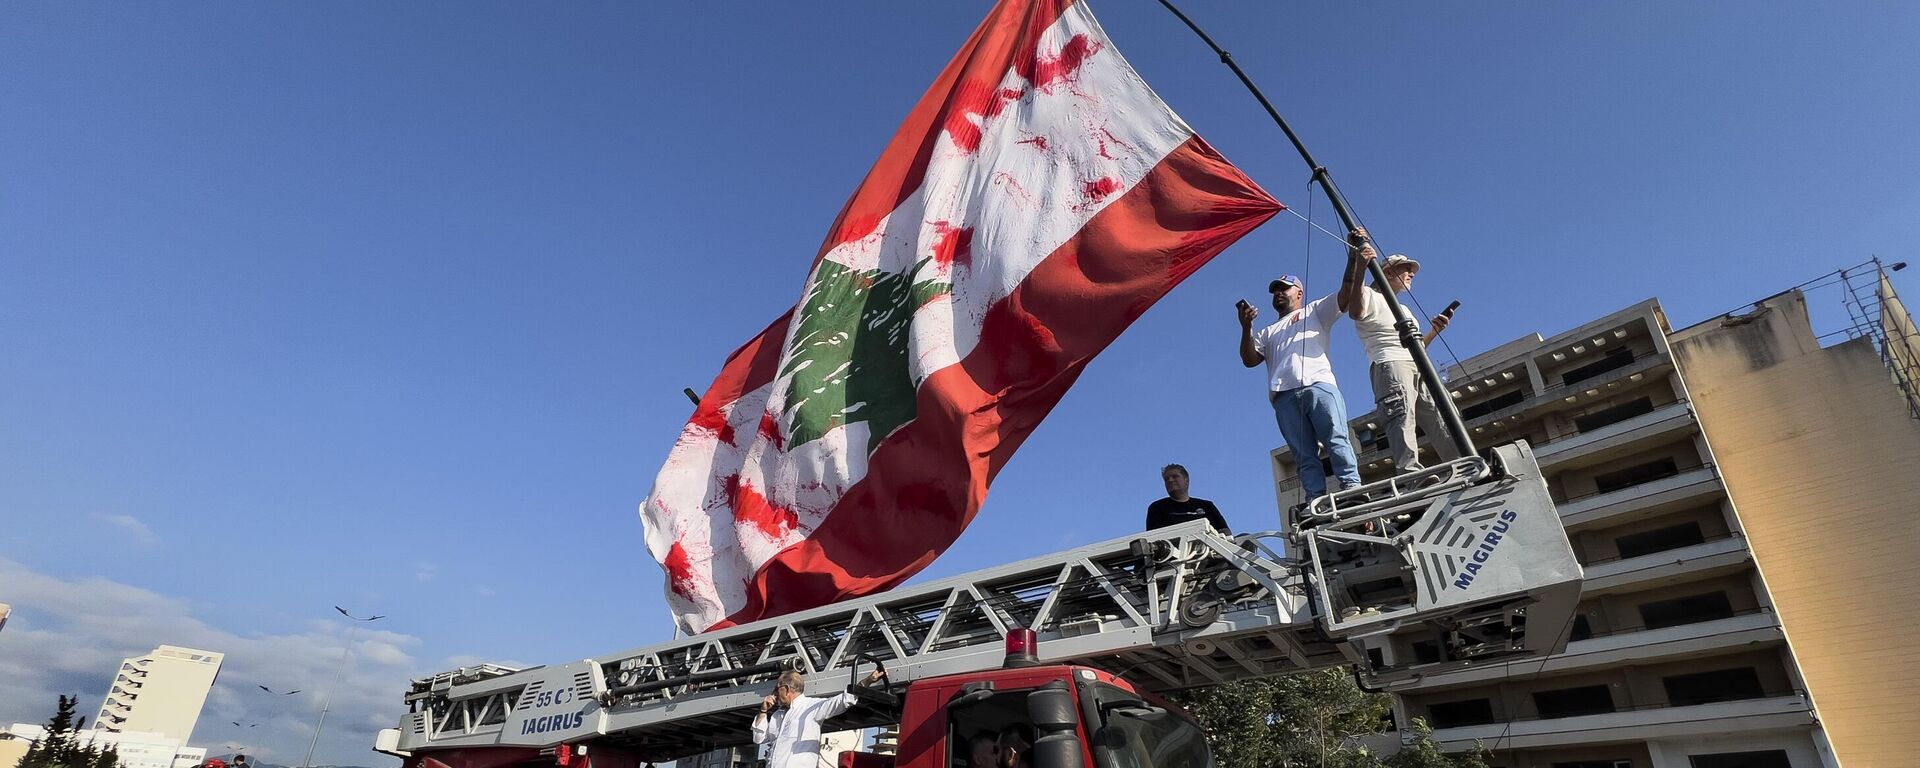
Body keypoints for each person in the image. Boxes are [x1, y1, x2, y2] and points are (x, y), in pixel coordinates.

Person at [1338, 228, 1460, 474]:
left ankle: (1462, 463)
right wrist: (1361, 266)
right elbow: (1355, 311)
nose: (1411, 274)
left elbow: (1417, 347)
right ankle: (1411, 474)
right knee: (1402, 418)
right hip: (1389, 363)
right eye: (1405, 269)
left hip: (1417, 364)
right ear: (1387, 272)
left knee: (1443, 415)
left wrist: (1434, 331)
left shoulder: (1406, 310)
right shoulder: (1369, 295)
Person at [1237, 267, 1363, 501]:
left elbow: (1346, 293)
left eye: (1284, 288)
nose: (1278, 293)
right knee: (1303, 454)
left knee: (1335, 437)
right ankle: (1314, 499)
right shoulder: (1266, 332)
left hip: (1318, 385)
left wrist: (1354, 259)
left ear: (1299, 292)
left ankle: (1352, 487)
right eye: (1275, 290)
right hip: (1284, 396)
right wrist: (1246, 327)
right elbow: (1249, 359)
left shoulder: (1314, 310)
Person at [752, 668, 886, 768]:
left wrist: (867, 681)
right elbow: (758, 739)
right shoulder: (777, 715)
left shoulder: (811, 707)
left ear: (786, 689)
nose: (774, 694)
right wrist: (763, 711)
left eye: (777, 689)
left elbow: (841, 701)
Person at [1145, 464, 1230, 533]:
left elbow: (1224, 531)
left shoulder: (1207, 505)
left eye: (1175, 476)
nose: (1170, 480)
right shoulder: (1157, 508)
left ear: (1186, 480)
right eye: (1166, 479)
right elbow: (1153, 537)